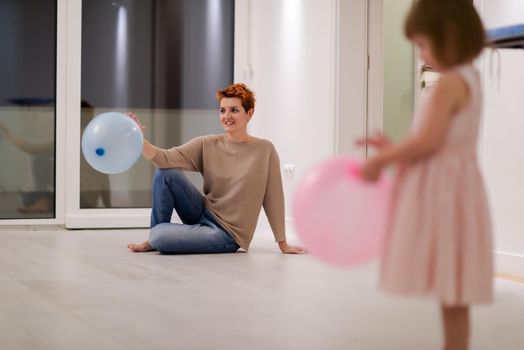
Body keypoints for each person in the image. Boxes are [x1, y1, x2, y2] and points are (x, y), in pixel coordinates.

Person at [359, 1, 492, 349]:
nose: (420, 55)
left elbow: (428, 142)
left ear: (448, 36)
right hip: (459, 187)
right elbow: (439, 141)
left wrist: (381, 158)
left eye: (422, 44)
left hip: (447, 193)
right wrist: (394, 147)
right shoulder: (470, 77)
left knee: (452, 286)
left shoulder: (449, 83)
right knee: (453, 289)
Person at [128, 83, 305, 255]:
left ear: (249, 114)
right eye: (222, 110)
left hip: (227, 234)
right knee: (166, 173)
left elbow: (273, 197)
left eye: (234, 110)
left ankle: (157, 236)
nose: (227, 116)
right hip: (203, 212)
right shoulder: (207, 143)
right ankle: (154, 239)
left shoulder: (265, 150)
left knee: (161, 236)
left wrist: (282, 243)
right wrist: (139, 140)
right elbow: (164, 158)